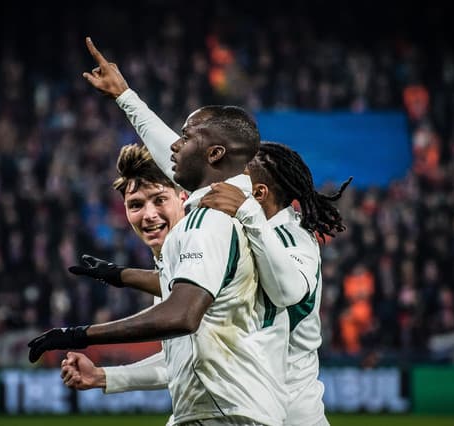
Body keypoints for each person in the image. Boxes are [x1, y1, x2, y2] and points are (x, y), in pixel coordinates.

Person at [66, 36, 351, 426]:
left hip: (289, 416)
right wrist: (126, 97)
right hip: (244, 407)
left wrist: (247, 213)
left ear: (259, 192)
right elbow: (191, 347)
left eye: (241, 174)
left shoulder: (291, 238)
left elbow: (286, 292)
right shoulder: (235, 229)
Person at [28, 96, 288, 424]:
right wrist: (105, 376)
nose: (149, 215)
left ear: (183, 197)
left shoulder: (204, 226)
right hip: (222, 410)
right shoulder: (178, 263)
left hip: (228, 413)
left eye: (159, 200)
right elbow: (184, 357)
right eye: (136, 205)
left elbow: (181, 316)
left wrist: (80, 334)